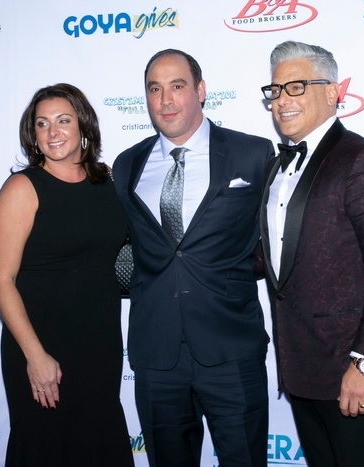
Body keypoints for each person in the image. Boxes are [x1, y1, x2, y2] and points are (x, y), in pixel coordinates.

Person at [112, 49, 274, 467]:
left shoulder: (252, 154)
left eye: (177, 86)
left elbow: (279, 237)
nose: (166, 100)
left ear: (200, 90)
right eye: (155, 89)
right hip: (156, 356)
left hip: (231, 349)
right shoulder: (126, 165)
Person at [259, 41, 364, 467]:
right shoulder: (276, 168)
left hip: (354, 372)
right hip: (301, 370)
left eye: (296, 87)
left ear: (332, 92)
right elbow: (273, 257)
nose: (282, 100)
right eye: (275, 90)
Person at [0, 83, 133, 466]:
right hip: (41, 344)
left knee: (98, 444)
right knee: (46, 446)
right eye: (42, 123)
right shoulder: (22, 188)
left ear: (83, 125)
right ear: (33, 134)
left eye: (63, 120)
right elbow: (1, 281)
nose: (53, 132)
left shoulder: (108, 182)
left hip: (99, 345)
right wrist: (35, 356)